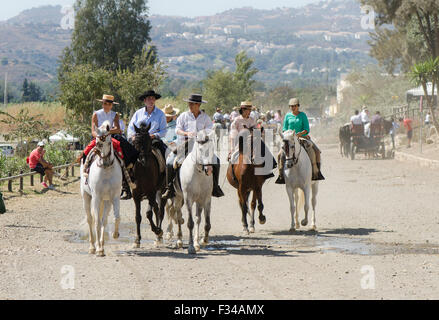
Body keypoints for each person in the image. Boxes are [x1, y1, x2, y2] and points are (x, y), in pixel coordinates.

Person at [162, 93, 224, 199]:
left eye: (192, 104)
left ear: (198, 105)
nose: (190, 105)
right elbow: (177, 129)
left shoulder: (205, 117)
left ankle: (215, 187)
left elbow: (210, 130)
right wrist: (186, 133)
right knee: (170, 161)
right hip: (184, 145)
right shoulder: (183, 116)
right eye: (189, 103)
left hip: (201, 145)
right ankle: (170, 188)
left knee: (216, 161)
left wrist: (202, 134)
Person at [276, 98, 325, 184]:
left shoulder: (303, 115)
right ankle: (281, 175)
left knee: (317, 152)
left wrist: (299, 134)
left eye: (295, 106)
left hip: (302, 137)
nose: (293, 107)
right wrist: (288, 134)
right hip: (290, 139)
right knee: (280, 154)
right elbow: (284, 129)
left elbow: (306, 129)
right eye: (291, 106)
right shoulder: (287, 116)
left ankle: (317, 172)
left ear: (298, 106)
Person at [228, 101, 276, 180]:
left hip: (252, 141)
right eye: (248, 110)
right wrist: (231, 149)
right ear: (243, 110)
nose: (250, 112)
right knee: (233, 157)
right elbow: (233, 136)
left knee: (262, 144)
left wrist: (259, 130)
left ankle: (270, 165)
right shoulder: (236, 120)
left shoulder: (252, 119)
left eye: (250, 110)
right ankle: (233, 175)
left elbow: (256, 130)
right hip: (240, 143)